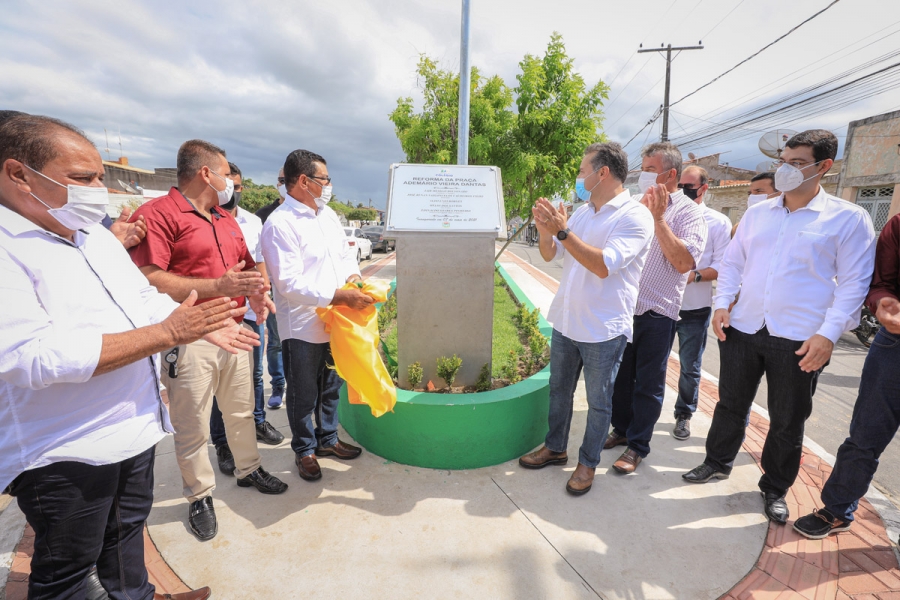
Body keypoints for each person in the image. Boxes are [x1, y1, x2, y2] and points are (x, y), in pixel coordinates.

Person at [0, 114, 255, 599]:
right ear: (19, 175)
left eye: (99, 176)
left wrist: (203, 323)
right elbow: (28, 356)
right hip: (65, 450)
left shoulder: (94, 236)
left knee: (124, 543)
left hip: (134, 428)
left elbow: (139, 298)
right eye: (82, 178)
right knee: (68, 574)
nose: (98, 188)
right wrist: (167, 333)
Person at [682, 130, 876, 525]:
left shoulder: (847, 218)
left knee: (787, 418)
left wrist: (828, 334)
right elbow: (734, 263)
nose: (786, 169)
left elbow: (855, 283)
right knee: (730, 403)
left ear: (825, 167)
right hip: (745, 326)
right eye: (783, 161)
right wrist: (722, 303)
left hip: (801, 338)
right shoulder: (758, 213)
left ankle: (774, 487)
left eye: (797, 163)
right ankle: (717, 461)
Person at [129, 140, 288, 542]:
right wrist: (217, 286)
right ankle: (199, 494)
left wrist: (258, 291)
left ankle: (249, 469)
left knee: (240, 410)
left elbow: (246, 267)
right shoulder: (158, 214)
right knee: (193, 422)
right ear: (206, 173)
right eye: (225, 173)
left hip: (235, 329)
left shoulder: (224, 217)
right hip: (191, 335)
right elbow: (147, 276)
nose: (230, 181)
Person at [517, 142, 654, 495]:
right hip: (567, 320)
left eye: (582, 171)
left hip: (603, 328)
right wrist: (547, 231)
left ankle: (588, 462)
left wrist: (563, 231)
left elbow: (603, 265)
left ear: (602, 173)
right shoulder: (581, 212)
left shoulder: (633, 216)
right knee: (559, 390)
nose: (579, 177)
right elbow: (550, 255)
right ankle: (555, 447)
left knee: (598, 403)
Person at [261, 150, 372, 481]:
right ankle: (305, 450)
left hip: (337, 321)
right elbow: (289, 283)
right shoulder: (280, 224)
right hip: (303, 326)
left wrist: (353, 278)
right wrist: (340, 295)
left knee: (331, 386)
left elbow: (344, 255)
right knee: (303, 392)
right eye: (324, 179)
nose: (328, 185)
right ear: (304, 182)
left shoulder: (328, 215)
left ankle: (328, 439)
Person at [793, 210, 900, 540]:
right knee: (865, 433)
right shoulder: (898, 226)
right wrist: (884, 302)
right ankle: (837, 509)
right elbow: (881, 282)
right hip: (894, 344)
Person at [606, 142, 708, 474]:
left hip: (657, 312)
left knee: (648, 384)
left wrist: (659, 219)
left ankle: (638, 445)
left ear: (671, 174)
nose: (642, 175)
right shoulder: (633, 205)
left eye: (650, 169)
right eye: (643, 168)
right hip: (623, 309)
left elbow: (683, 263)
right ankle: (621, 430)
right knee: (620, 379)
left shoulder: (690, 213)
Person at [209, 162, 284, 479]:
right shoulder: (204, 221)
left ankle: (256, 421)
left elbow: (260, 263)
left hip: (251, 316)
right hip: (218, 319)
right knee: (220, 387)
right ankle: (222, 443)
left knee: (254, 376)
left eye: (238, 187)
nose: (233, 192)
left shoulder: (253, 222)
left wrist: (263, 295)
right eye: (228, 185)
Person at [671, 166, 732, 440]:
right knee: (651, 362)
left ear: (704, 188)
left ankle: (684, 414)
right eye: (680, 184)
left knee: (690, 366)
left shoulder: (718, 222)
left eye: (689, 185)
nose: (683, 189)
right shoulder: (666, 214)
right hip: (661, 304)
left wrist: (693, 275)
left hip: (695, 308)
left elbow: (722, 266)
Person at [256, 167, 286, 409]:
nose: (284, 184)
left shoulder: (312, 214)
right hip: (275, 289)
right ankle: (278, 384)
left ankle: (297, 384)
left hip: (303, 292)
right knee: (275, 341)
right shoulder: (264, 216)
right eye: (281, 180)